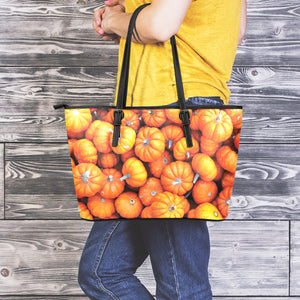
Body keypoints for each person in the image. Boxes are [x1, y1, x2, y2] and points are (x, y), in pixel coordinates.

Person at [78, 0, 247, 299]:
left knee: (182, 288)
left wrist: (114, 20)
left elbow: (159, 25)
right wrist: (128, 19)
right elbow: (234, 31)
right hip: (157, 119)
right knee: (101, 271)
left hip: (172, 112)